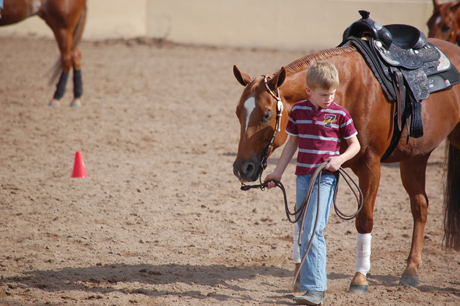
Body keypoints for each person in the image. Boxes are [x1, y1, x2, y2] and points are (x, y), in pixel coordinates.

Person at [264, 61, 360, 305]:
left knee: (312, 231)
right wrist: (277, 173)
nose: (329, 98)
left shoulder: (340, 114)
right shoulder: (298, 112)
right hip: (303, 177)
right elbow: (291, 144)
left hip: (325, 178)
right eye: (323, 94)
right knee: (303, 231)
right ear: (309, 91)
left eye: (332, 94)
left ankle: (315, 289)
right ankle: (311, 288)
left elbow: (355, 145)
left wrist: (339, 159)